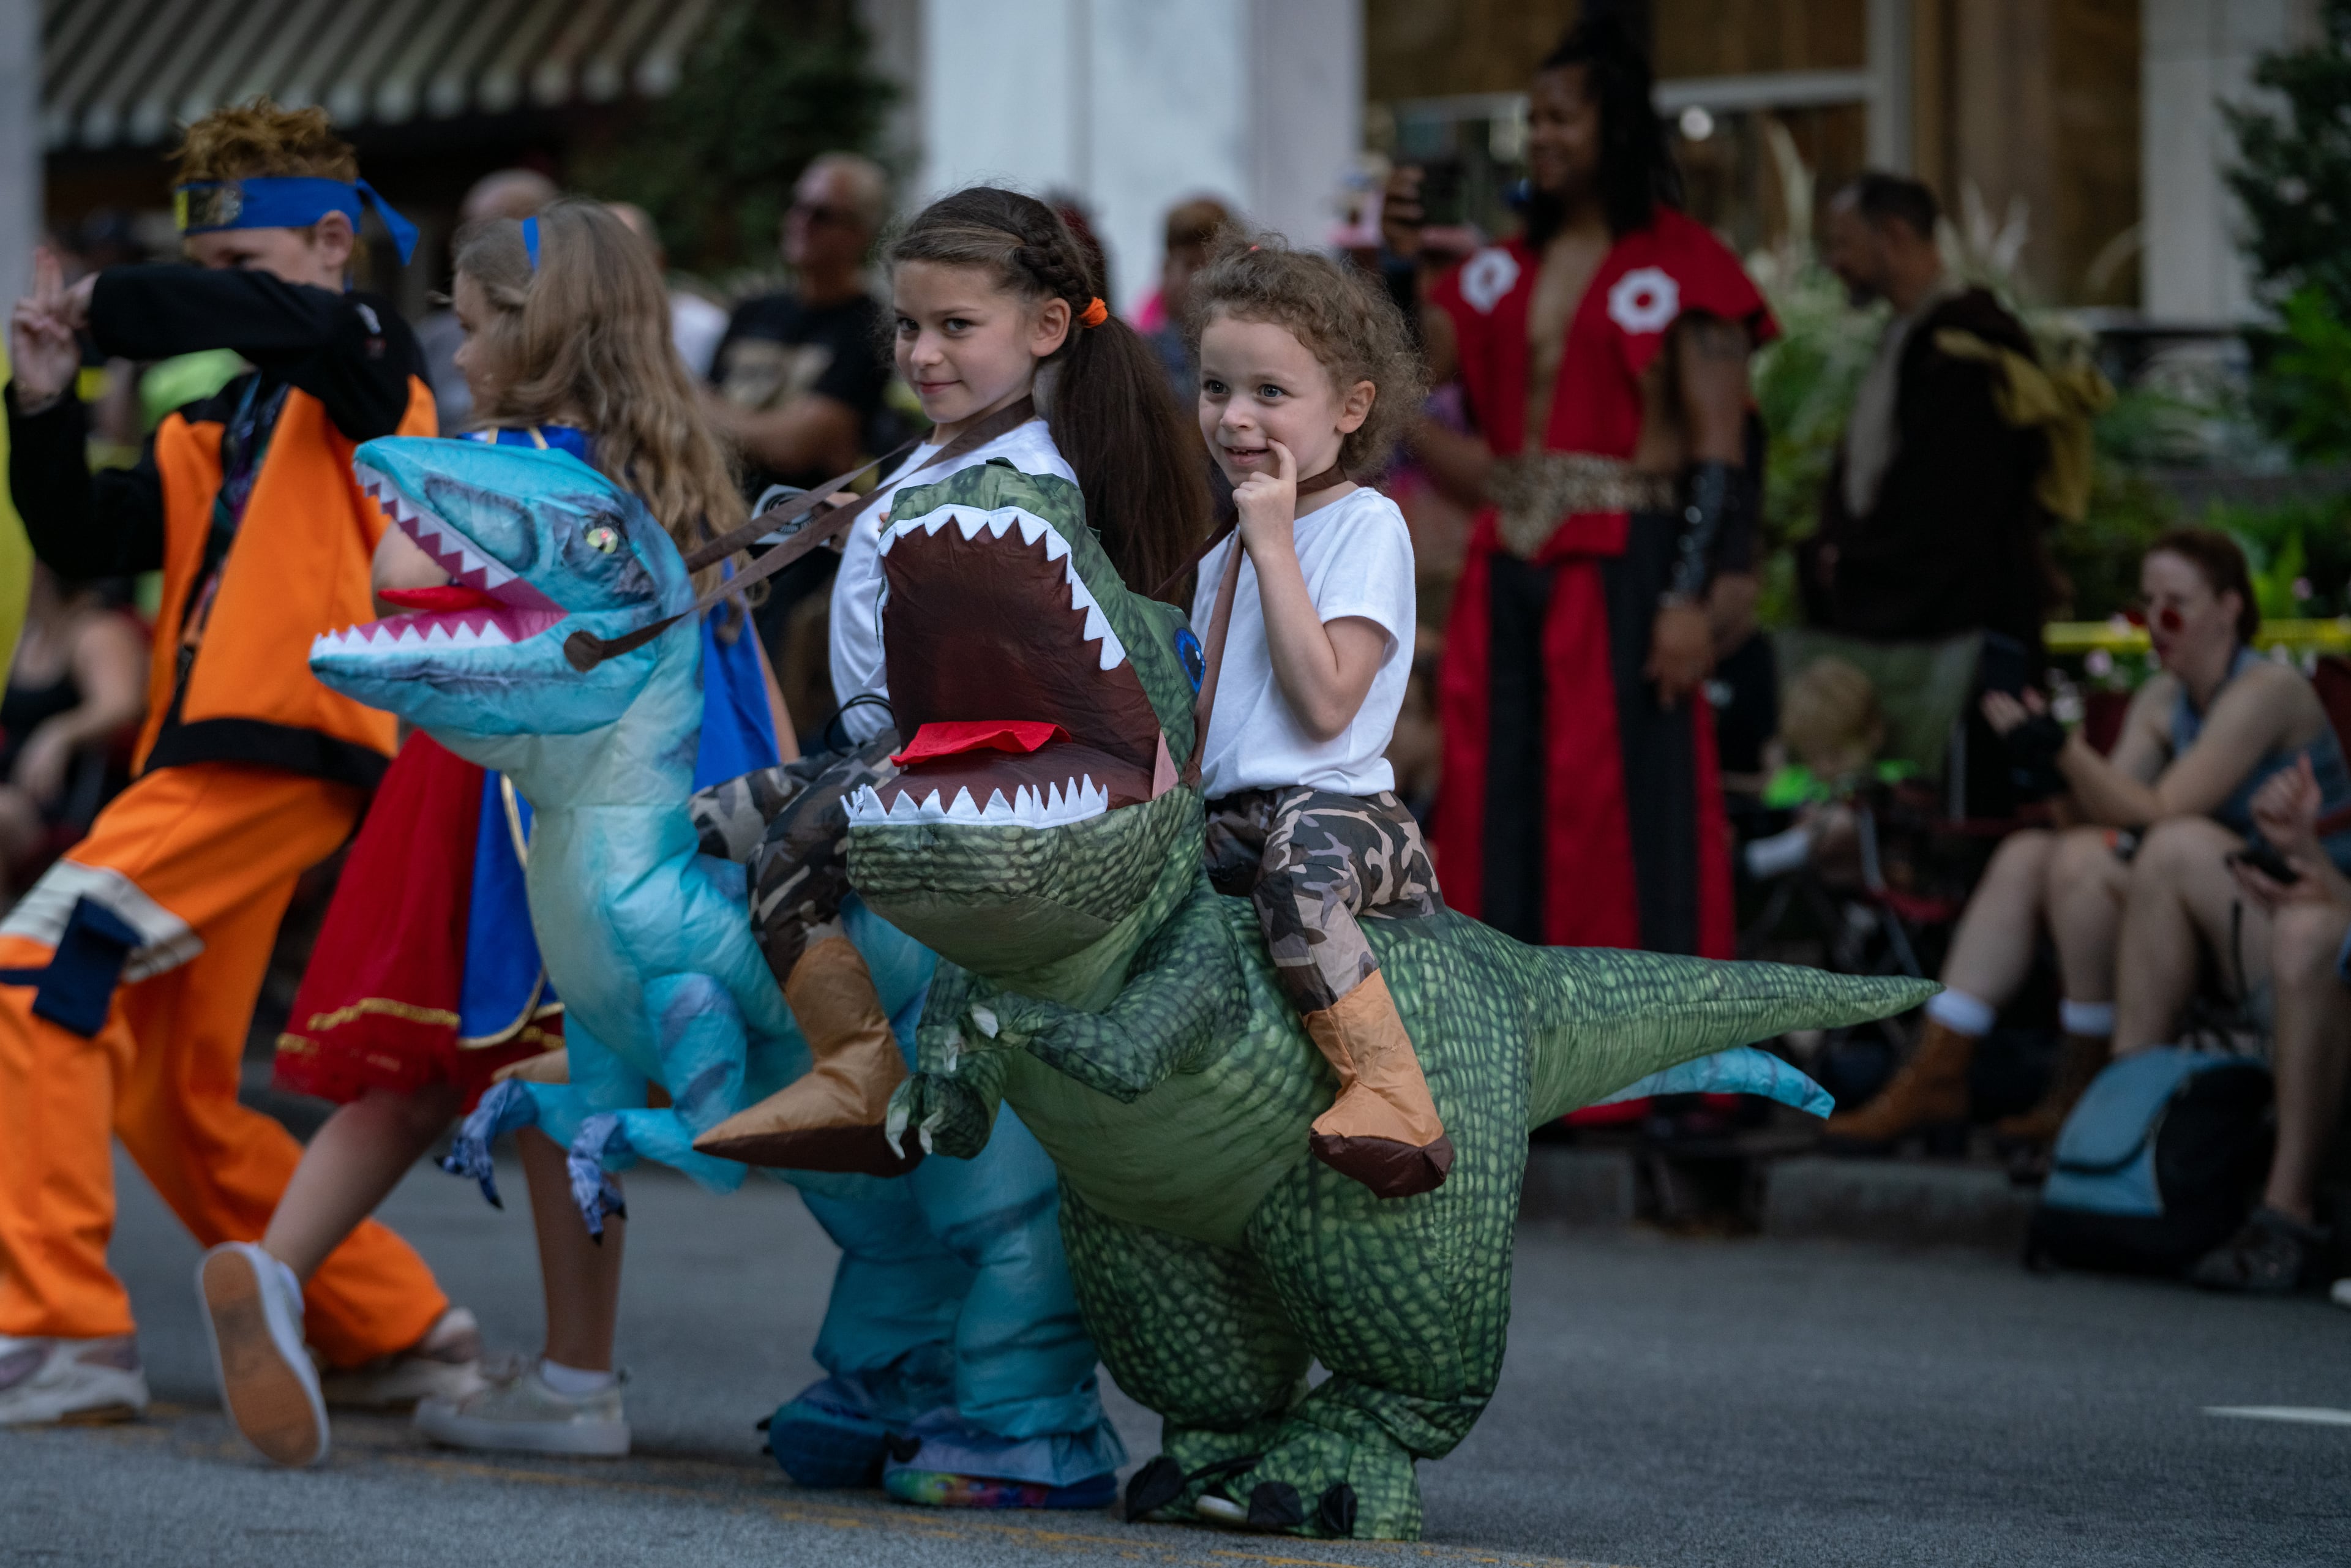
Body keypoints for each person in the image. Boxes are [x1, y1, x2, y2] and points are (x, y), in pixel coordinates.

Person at [200, 199, 781, 1467]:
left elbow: (405, 584)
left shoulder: (515, 455)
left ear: (536, 329)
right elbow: (749, 662)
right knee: (584, 1069)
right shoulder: (679, 460)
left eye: (471, 332)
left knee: (417, 1070)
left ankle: (276, 1269)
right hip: (678, 787)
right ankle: (575, 1371)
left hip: (511, 791)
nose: (454, 358)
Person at [689, 184, 1205, 1509]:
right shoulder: (938, 459)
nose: (921, 355)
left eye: (953, 326)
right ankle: (901, 1360)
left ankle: (1029, 1405)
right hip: (904, 804)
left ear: (1047, 325)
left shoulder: (1032, 482)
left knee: (996, 1164)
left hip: (987, 831)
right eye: (906, 328)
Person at [0, 97, 458, 1428]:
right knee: (165, 1086)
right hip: (199, 773)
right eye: (201, 278)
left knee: (30, 971)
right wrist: (45, 397)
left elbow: (300, 328)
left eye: (236, 273)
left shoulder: (375, 357)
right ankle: (398, 1325)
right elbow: (86, 538)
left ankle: (59, 1329)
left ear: (330, 241)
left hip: (283, 755)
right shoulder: (215, 430)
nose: (217, 305)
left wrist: (111, 299)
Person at [1393, 18, 1772, 961]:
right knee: (1494, 797)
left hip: (1629, 571)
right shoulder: (1498, 271)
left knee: (1626, 808)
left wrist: (1694, 593)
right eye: (1535, 120)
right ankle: (1514, 1051)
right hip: (1507, 565)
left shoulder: (1687, 266)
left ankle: (1646, 1069)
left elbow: (1723, 448)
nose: (1544, 137)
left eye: (1562, 118)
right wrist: (1401, 265)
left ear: (1617, 129)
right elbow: (1394, 377)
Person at [1824, 530, 2351, 1149]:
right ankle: (1941, 1067)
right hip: (2193, 909)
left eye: (2174, 604)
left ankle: (2099, 1086)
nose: (2157, 622)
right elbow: (2094, 822)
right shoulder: (2162, 696)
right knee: (2034, 854)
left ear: (2230, 607)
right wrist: (2046, 765)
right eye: (2145, 606)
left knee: (2163, 841)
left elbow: (2160, 809)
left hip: (2294, 922)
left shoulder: (2267, 691)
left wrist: (2066, 748)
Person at [1179, 236, 1442, 1196]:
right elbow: (1202, 737)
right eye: (1216, 388)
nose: (1236, 417)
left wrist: (1274, 541)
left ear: (1352, 406)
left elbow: (1328, 705)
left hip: (1345, 815)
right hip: (1239, 814)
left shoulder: (1365, 526)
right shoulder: (1225, 557)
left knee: (1295, 878)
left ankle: (1394, 1094)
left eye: (1270, 394)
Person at [2114, 752, 2351, 1293]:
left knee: (2308, 934)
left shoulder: (2269, 686)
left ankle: (2288, 1218)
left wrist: (2059, 748)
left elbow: (2150, 803)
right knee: (2165, 848)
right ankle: (2121, 1145)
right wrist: (2304, 853)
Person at [1799, 173, 2060, 657]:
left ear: (1894, 235)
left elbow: (1948, 504)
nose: (1834, 263)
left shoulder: (1967, 347)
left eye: (1844, 244)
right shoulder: (1911, 336)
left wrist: (1859, 563)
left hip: (1954, 627)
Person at [706, 153, 894, 501]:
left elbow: (793, 448)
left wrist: (713, 416)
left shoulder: (872, 326)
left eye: (821, 214)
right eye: (797, 206)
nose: (801, 221)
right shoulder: (752, 310)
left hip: (798, 530)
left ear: (860, 233)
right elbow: (693, 409)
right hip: (714, 508)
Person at [0, 565, 147, 897]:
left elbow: (121, 703)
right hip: (13, 786)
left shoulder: (96, 629)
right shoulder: (24, 633)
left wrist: (59, 734)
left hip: (60, 804)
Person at [418, 168, 557, 426]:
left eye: (489, 230)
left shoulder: (578, 346)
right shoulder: (433, 340)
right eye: (467, 229)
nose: (459, 359)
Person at [607, 201, 731, 378]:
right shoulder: (573, 335)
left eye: (624, 255)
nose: (610, 271)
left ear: (658, 260)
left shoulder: (707, 329)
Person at [1137, 197, 1232, 402]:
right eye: (1191, 266)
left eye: (1211, 266)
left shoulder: (1239, 354)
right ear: (1166, 270)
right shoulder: (1143, 357)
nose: (1201, 280)